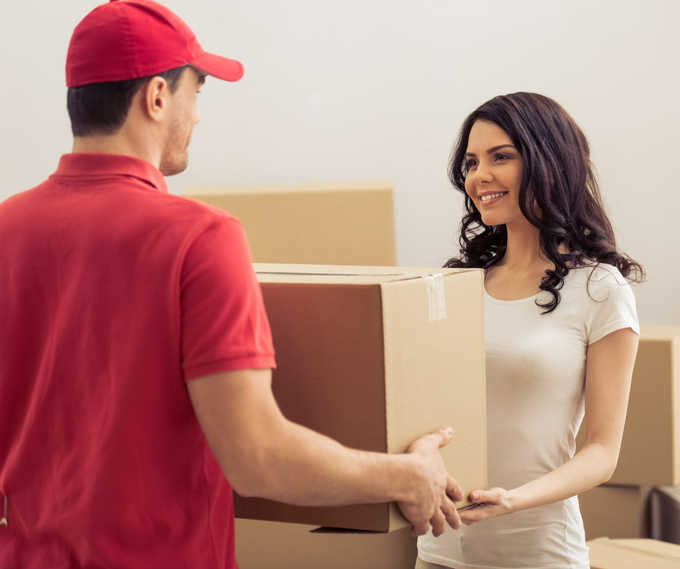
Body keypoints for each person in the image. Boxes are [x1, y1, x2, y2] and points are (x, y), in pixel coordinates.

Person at [0, 1, 464, 566]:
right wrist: (407, 476)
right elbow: (257, 455)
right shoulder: (198, 237)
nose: (197, 115)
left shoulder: (7, 228)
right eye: (197, 92)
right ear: (156, 97)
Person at [416, 92, 643, 569]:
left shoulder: (600, 288)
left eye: (501, 157)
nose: (479, 176)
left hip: (538, 554)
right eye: (472, 161)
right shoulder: (458, 284)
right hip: (439, 550)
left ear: (549, 161)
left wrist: (513, 500)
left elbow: (602, 451)